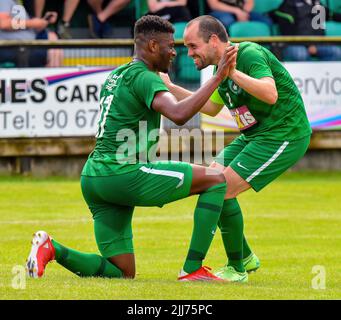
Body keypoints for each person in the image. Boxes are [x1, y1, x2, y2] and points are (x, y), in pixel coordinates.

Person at [25, 15, 238, 281]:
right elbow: (179, 114)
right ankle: (193, 268)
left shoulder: (117, 74)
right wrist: (218, 78)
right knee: (216, 180)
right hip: (122, 173)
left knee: (122, 272)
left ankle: (52, 249)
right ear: (151, 46)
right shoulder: (145, 78)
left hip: (94, 178)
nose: (174, 52)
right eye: (169, 46)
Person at [160, 15, 312, 282]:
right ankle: (245, 257)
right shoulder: (220, 67)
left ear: (214, 40)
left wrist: (231, 73)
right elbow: (211, 107)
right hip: (253, 135)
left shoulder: (248, 54)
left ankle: (237, 269)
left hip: (283, 134)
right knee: (212, 183)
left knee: (223, 190)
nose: (189, 53)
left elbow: (270, 93)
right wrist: (171, 88)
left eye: (193, 46)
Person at [271, 0, 341, 61]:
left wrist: (315, 45)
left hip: (318, 43)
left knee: (337, 52)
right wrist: (308, 45)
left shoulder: (317, 3)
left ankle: (323, 75)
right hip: (295, 44)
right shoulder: (289, 4)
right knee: (300, 54)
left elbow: (331, 15)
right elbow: (287, 31)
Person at [0, 0, 63, 67]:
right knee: (51, 50)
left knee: (53, 42)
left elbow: (27, 26)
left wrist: (43, 21)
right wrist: (33, 23)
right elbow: (3, 24)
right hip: (14, 48)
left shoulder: (16, 3)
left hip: (26, 46)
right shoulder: (4, 1)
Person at [207, 0, 273, 31]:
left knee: (266, 21)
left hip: (243, 11)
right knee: (227, 21)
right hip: (221, 11)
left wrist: (244, 13)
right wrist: (237, 11)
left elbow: (250, 2)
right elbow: (214, 5)